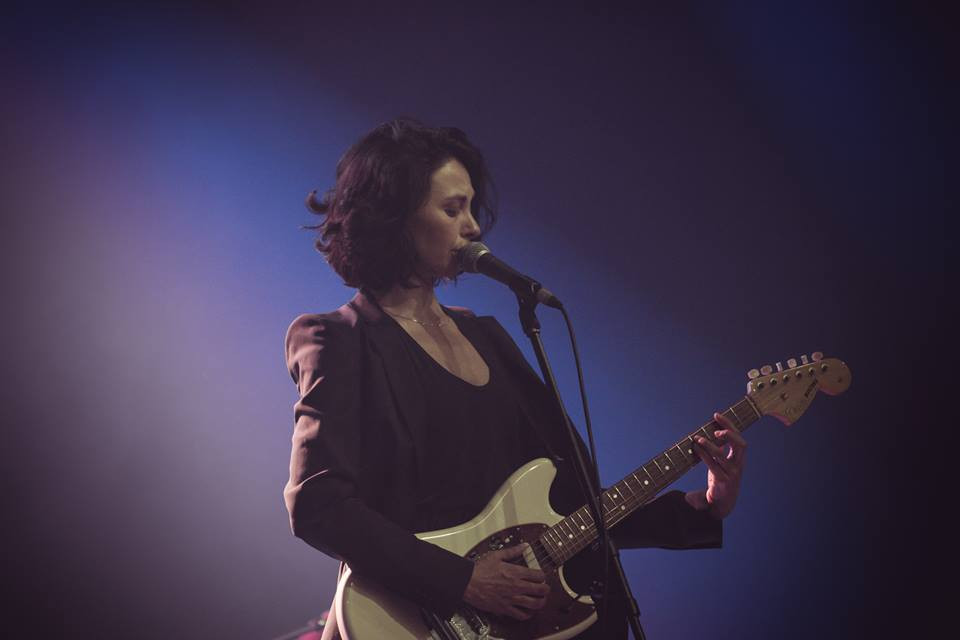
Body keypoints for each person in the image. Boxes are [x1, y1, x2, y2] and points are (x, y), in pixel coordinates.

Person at [283, 118, 747, 639]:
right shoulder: (338, 339)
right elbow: (317, 506)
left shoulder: (487, 335)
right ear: (394, 219)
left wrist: (701, 508)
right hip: (418, 621)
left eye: (471, 208)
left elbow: (572, 511)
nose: (473, 227)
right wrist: (463, 582)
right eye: (452, 209)